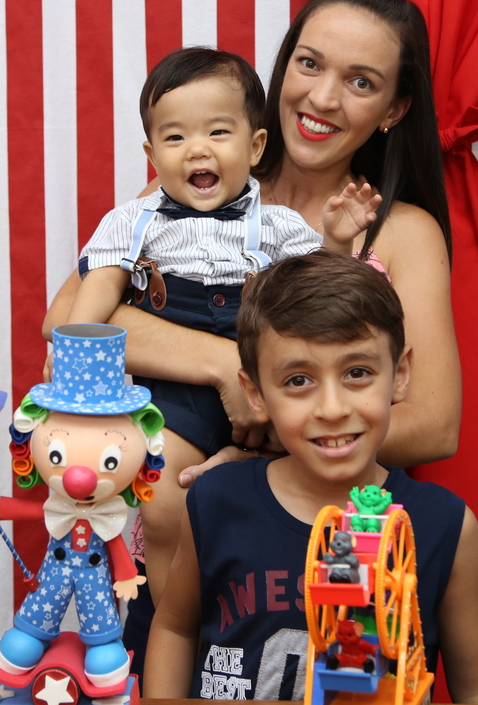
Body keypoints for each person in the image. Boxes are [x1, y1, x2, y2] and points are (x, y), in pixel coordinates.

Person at [44, 0, 461, 677]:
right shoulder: (198, 175)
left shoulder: (402, 232)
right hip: (180, 551)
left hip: (319, 556)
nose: (322, 98)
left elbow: (436, 424)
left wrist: (269, 448)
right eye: (310, 63)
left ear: (395, 109)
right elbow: (68, 318)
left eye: (361, 82)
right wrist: (220, 368)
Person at [65, 46, 380, 609]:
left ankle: (259, 615)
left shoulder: (278, 226)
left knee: (287, 508)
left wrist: (336, 241)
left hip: (267, 387)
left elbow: (318, 295)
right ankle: (174, 621)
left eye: (217, 132)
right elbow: (94, 301)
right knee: (164, 501)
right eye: (175, 137)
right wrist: (75, 358)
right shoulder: (134, 222)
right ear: (151, 155)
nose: (198, 149)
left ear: (255, 146)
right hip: (175, 392)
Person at [142, 251, 478, 704]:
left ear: (400, 375)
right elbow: (176, 629)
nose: (332, 409)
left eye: (357, 373)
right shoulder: (215, 500)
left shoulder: (445, 525)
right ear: (255, 394)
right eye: (299, 381)